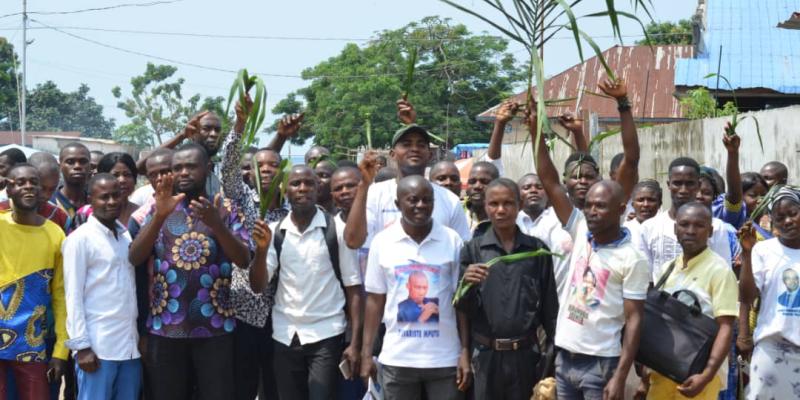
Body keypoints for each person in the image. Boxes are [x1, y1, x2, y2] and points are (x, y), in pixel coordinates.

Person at [532, 95, 648, 400]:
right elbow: (549, 179)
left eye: (601, 206)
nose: (592, 210)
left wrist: (624, 104)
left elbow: (635, 320)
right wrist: (535, 130)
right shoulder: (580, 226)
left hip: (602, 365)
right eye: (590, 205)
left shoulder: (631, 258)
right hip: (565, 357)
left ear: (621, 208)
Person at [128, 143, 251, 400]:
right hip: (166, 328)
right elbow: (135, 256)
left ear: (208, 168)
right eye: (178, 168)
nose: (183, 172)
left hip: (215, 327)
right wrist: (160, 217)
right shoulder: (159, 208)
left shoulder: (226, 209)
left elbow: (244, 259)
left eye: (191, 166)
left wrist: (217, 225)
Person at [248, 165, 362, 400]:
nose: (303, 189)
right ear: (285, 190)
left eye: (309, 184)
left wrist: (355, 342)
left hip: (326, 334)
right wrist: (260, 250)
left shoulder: (336, 230)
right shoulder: (275, 232)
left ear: (318, 188)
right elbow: (258, 285)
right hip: (285, 334)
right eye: (296, 184)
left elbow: (353, 288)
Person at [360, 175, 469, 399]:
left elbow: (461, 302)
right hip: (397, 361)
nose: (421, 205)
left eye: (427, 200)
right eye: (413, 200)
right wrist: (366, 353)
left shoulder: (452, 240)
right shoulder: (382, 242)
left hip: (444, 360)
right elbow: (374, 301)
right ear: (398, 204)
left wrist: (465, 351)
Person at [220, 102, 300, 400]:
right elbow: (227, 166)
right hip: (244, 310)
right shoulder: (241, 200)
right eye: (260, 165)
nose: (267, 170)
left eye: (274, 165)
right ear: (250, 173)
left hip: (283, 312)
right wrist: (239, 124)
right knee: (243, 384)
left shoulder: (294, 212)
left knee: (277, 386)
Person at [457, 178, 558, 400]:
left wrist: (553, 355)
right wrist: (467, 285)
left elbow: (550, 308)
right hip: (485, 356)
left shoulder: (537, 251)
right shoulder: (473, 251)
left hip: (526, 356)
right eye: (494, 204)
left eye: (508, 203)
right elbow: (463, 309)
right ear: (485, 206)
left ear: (519, 205)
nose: (501, 210)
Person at [643, 203, 738, 400]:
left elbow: (726, 328)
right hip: (662, 370)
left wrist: (707, 374)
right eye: (684, 224)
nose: (691, 231)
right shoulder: (669, 267)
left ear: (710, 231)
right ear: (675, 229)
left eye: (699, 225)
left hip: (697, 376)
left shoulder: (719, 271)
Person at [62, 173, 141, 400]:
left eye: (116, 195)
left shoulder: (126, 237)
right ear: (90, 200)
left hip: (128, 346)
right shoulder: (80, 239)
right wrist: (82, 346)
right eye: (104, 197)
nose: (111, 202)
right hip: (98, 348)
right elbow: (73, 295)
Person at [344, 121, 471, 251]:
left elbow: (464, 252)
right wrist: (363, 186)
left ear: (430, 155)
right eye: (406, 144)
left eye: (421, 145)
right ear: (392, 154)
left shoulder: (449, 200)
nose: (414, 149)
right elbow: (353, 241)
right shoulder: (374, 194)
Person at [0, 164, 68, 399]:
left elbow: (60, 295)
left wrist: (60, 351)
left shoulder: (55, 233)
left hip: (33, 345)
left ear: (42, 189)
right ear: (8, 189)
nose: (28, 186)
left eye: (33, 182)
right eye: (20, 182)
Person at [738, 187, 800, 399]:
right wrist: (746, 254)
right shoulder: (763, 250)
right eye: (780, 217)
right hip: (772, 348)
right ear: (772, 222)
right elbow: (747, 296)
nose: (788, 221)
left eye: (793, 214)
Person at [638, 157, 740, 281]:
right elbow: (644, 278)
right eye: (677, 183)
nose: (683, 190)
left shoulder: (716, 227)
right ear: (669, 184)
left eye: (690, 183)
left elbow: (723, 274)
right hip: (661, 298)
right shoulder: (649, 227)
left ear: (698, 185)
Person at [135, 111, 225, 197]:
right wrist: (182, 135)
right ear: (193, 133)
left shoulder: (214, 180)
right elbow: (137, 168)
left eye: (217, 130)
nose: (214, 134)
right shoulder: (178, 162)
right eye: (206, 129)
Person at [515, 173, 573, 295]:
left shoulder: (559, 218)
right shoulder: (511, 221)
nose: (533, 190)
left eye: (539, 187)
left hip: (558, 293)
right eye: (527, 188)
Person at [0, 158, 68, 232]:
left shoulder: (59, 218)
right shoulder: (2, 210)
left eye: (52, 189)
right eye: (42, 187)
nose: (46, 196)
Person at [73, 153, 140, 228]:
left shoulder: (141, 214)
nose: (122, 180)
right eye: (115, 175)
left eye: (127, 175)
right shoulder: (85, 214)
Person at [54, 142, 91, 233]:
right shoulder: (50, 202)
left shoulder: (96, 204)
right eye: (70, 162)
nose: (77, 166)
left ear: (90, 167)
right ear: (60, 167)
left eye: (83, 162)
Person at [465, 162, 499, 230]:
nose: (477, 186)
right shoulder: (458, 213)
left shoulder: (507, 220)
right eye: (472, 181)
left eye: (485, 182)